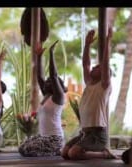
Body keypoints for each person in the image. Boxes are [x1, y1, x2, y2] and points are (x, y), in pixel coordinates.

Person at [61, 27, 118, 160]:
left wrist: (108, 41)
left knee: (73, 153)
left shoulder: (104, 86)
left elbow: (105, 64)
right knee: (64, 152)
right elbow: (86, 64)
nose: (93, 67)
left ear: (104, 73)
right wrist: (87, 45)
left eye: (97, 67)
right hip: (85, 133)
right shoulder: (89, 83)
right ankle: (95, 151)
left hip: (98, 135)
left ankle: (104, 153)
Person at [18, 40, 67, 157]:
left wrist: (51, 53)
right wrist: (39, 57)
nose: (47, 82)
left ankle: (56, 150)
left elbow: (53, 75)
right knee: (22, 148)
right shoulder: (46, 95)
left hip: (54, 138)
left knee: (28, 150)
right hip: (43, 136)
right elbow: (40, 77)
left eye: (50, 81)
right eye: (47, 81)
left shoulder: (58, 97)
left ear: (57, 85)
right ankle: (52, 151)